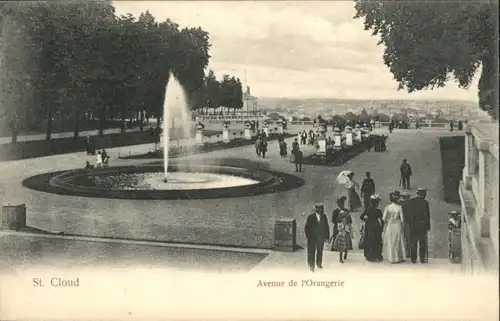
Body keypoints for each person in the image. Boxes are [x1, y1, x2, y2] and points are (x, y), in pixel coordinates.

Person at [382, 192, 407, 263]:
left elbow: (383, 218)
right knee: (397, 241)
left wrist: (389, 221)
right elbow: (402, 219)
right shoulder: (399, 207)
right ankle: (398, 257)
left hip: (390, 225)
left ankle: (390, 257)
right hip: (397, 225)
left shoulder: (387, 207)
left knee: (390, 240)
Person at [304, 203, 330, 272]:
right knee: (311, 251)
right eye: (320, 210)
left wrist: (327, 237)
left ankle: (319, 263)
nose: (322, 211)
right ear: (317, 210)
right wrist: (308, 237)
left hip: (320, 237)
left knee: (320, 251)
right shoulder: (311, 217)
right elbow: (306, 228)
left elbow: (326, 227)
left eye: (322, 209)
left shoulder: (324, 217)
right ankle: (311, 265)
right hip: (312, 238)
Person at [408, 188, 431, 264]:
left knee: (413, 243)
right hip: (422, 226)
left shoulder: (412, 201)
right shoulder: (425, 203)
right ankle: (422, 259)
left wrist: (410, 224)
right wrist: (428, 227)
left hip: (413, 226)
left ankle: (413, 259)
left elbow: (410, 214)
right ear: (423, 194)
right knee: (422, 243)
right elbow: (427, 216)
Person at [360, 194, 383, 262]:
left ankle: (369, 255)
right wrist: (382, 227)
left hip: (369, 226)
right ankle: (377, 255)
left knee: (369, 241)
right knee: (377, 241)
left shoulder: (368, 209)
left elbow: (361, 217)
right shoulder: (378, 211)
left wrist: (366, 220)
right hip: (376, 226)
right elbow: (382, 220)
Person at [400, 192, 413, 258]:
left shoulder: (401, 203)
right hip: (409, 222)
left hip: (402, 222)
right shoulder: (411, 203)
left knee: (402, 238)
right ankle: (409, 253)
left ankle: (403, 252)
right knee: (408, 239)